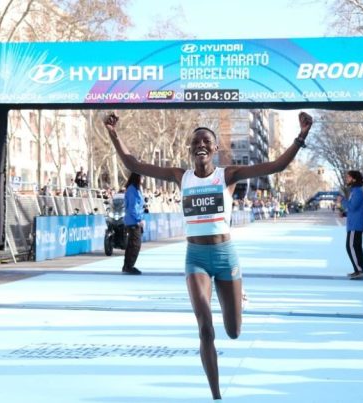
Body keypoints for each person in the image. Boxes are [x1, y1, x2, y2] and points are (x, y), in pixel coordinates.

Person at [104, 111, 313, 401]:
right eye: (196, 141)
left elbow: (277, 165)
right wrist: (114, 133)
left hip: (225, 256)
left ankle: (238, 293)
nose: (201, 144)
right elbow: (133, 164)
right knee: (205, 329)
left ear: (214, 149)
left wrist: (301, 136)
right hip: (196, 258)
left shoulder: (227, 175)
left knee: (234, 332)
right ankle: (216, 396)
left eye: (207, 141)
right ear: (191, 149)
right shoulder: (181, 176)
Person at [340, 170, 363, 280]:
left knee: (351, 247)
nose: (347, 179)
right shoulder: (355, 191)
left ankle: (359, 270)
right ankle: (358, 270)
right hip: (353, 224)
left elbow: (352, 206)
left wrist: (342, 201)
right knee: (355, 247)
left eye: (349, 177)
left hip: (355, 225)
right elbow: (354, 209)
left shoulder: (358, 192)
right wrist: (345, 214)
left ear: (354, 179)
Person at [122, 172, 144, 275]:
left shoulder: (135, 189)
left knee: (132, 244)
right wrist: (139, 219)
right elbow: (133, 207)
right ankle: (129, 266)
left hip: (133, 220)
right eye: (142, 176)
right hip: (133, 221)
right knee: (135, 245)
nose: (143, 179)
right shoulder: (133, 190)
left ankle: (127, 265)